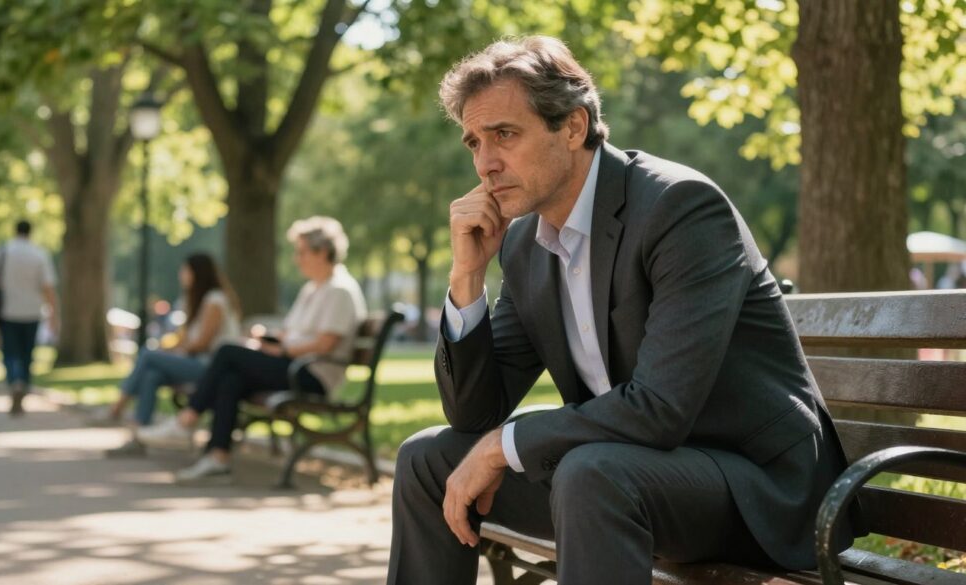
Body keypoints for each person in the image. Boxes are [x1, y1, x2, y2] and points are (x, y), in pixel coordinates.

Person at [386, 36, 859, 585]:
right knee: (427, 459)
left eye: (504, 135)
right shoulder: (523, 246)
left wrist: (503, 447)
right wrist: (467, 277)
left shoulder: (679, 207)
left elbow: (660, 407)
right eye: (473, 142)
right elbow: (473, 414)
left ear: (573, 127)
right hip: (620, 478)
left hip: (754, 489)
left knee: (592, 472)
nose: (486, 163)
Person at [138, 216, 367, 482]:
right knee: (231, 379)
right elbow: (291, 334)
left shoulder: (339, 290)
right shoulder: (312, 289)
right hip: (294, 365)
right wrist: (266, 340)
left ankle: (186, 420)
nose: (297, 259)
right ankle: (217, 457)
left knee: (227, 351)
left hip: (312, 375)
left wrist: (279, 351)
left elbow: (325, 344)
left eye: (302, 252)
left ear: (323, 252)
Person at [101, 253, 242, 457]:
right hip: (197, 362)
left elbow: (202, 344)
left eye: (185, 270)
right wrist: (172, 348)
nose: (181, 275)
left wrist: (176, 350)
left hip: (212, 367)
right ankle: (137, 436)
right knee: (151, 374)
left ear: (197, 273)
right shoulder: (197, 301)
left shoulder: (215, 300)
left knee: (148, 355)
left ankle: (117, 407)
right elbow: (186, 340)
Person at [0, 220, 59, 416]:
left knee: (9, 352)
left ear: (15, 231)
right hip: (33, 311)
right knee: (27, 354)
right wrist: (53, 315)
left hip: (8, 311)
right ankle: (23, 384)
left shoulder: (3, 251)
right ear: (30, 232)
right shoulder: (39, 254)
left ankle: (14, 381)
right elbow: (48, 287)